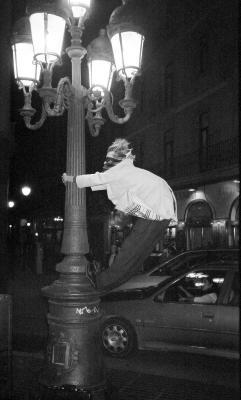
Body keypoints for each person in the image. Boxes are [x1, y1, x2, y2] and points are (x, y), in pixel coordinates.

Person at [62, 138, 177, 292]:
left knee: (130, 249)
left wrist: (71, 179)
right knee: (137, 253)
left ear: (118, 157)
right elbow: (104, 182)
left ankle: (101, 282)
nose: (106, 162)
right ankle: (107, 282)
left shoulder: (121, 169)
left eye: (109, 158)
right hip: (162, 211)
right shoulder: (127, 170)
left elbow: (98, 178)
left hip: (157, 209)